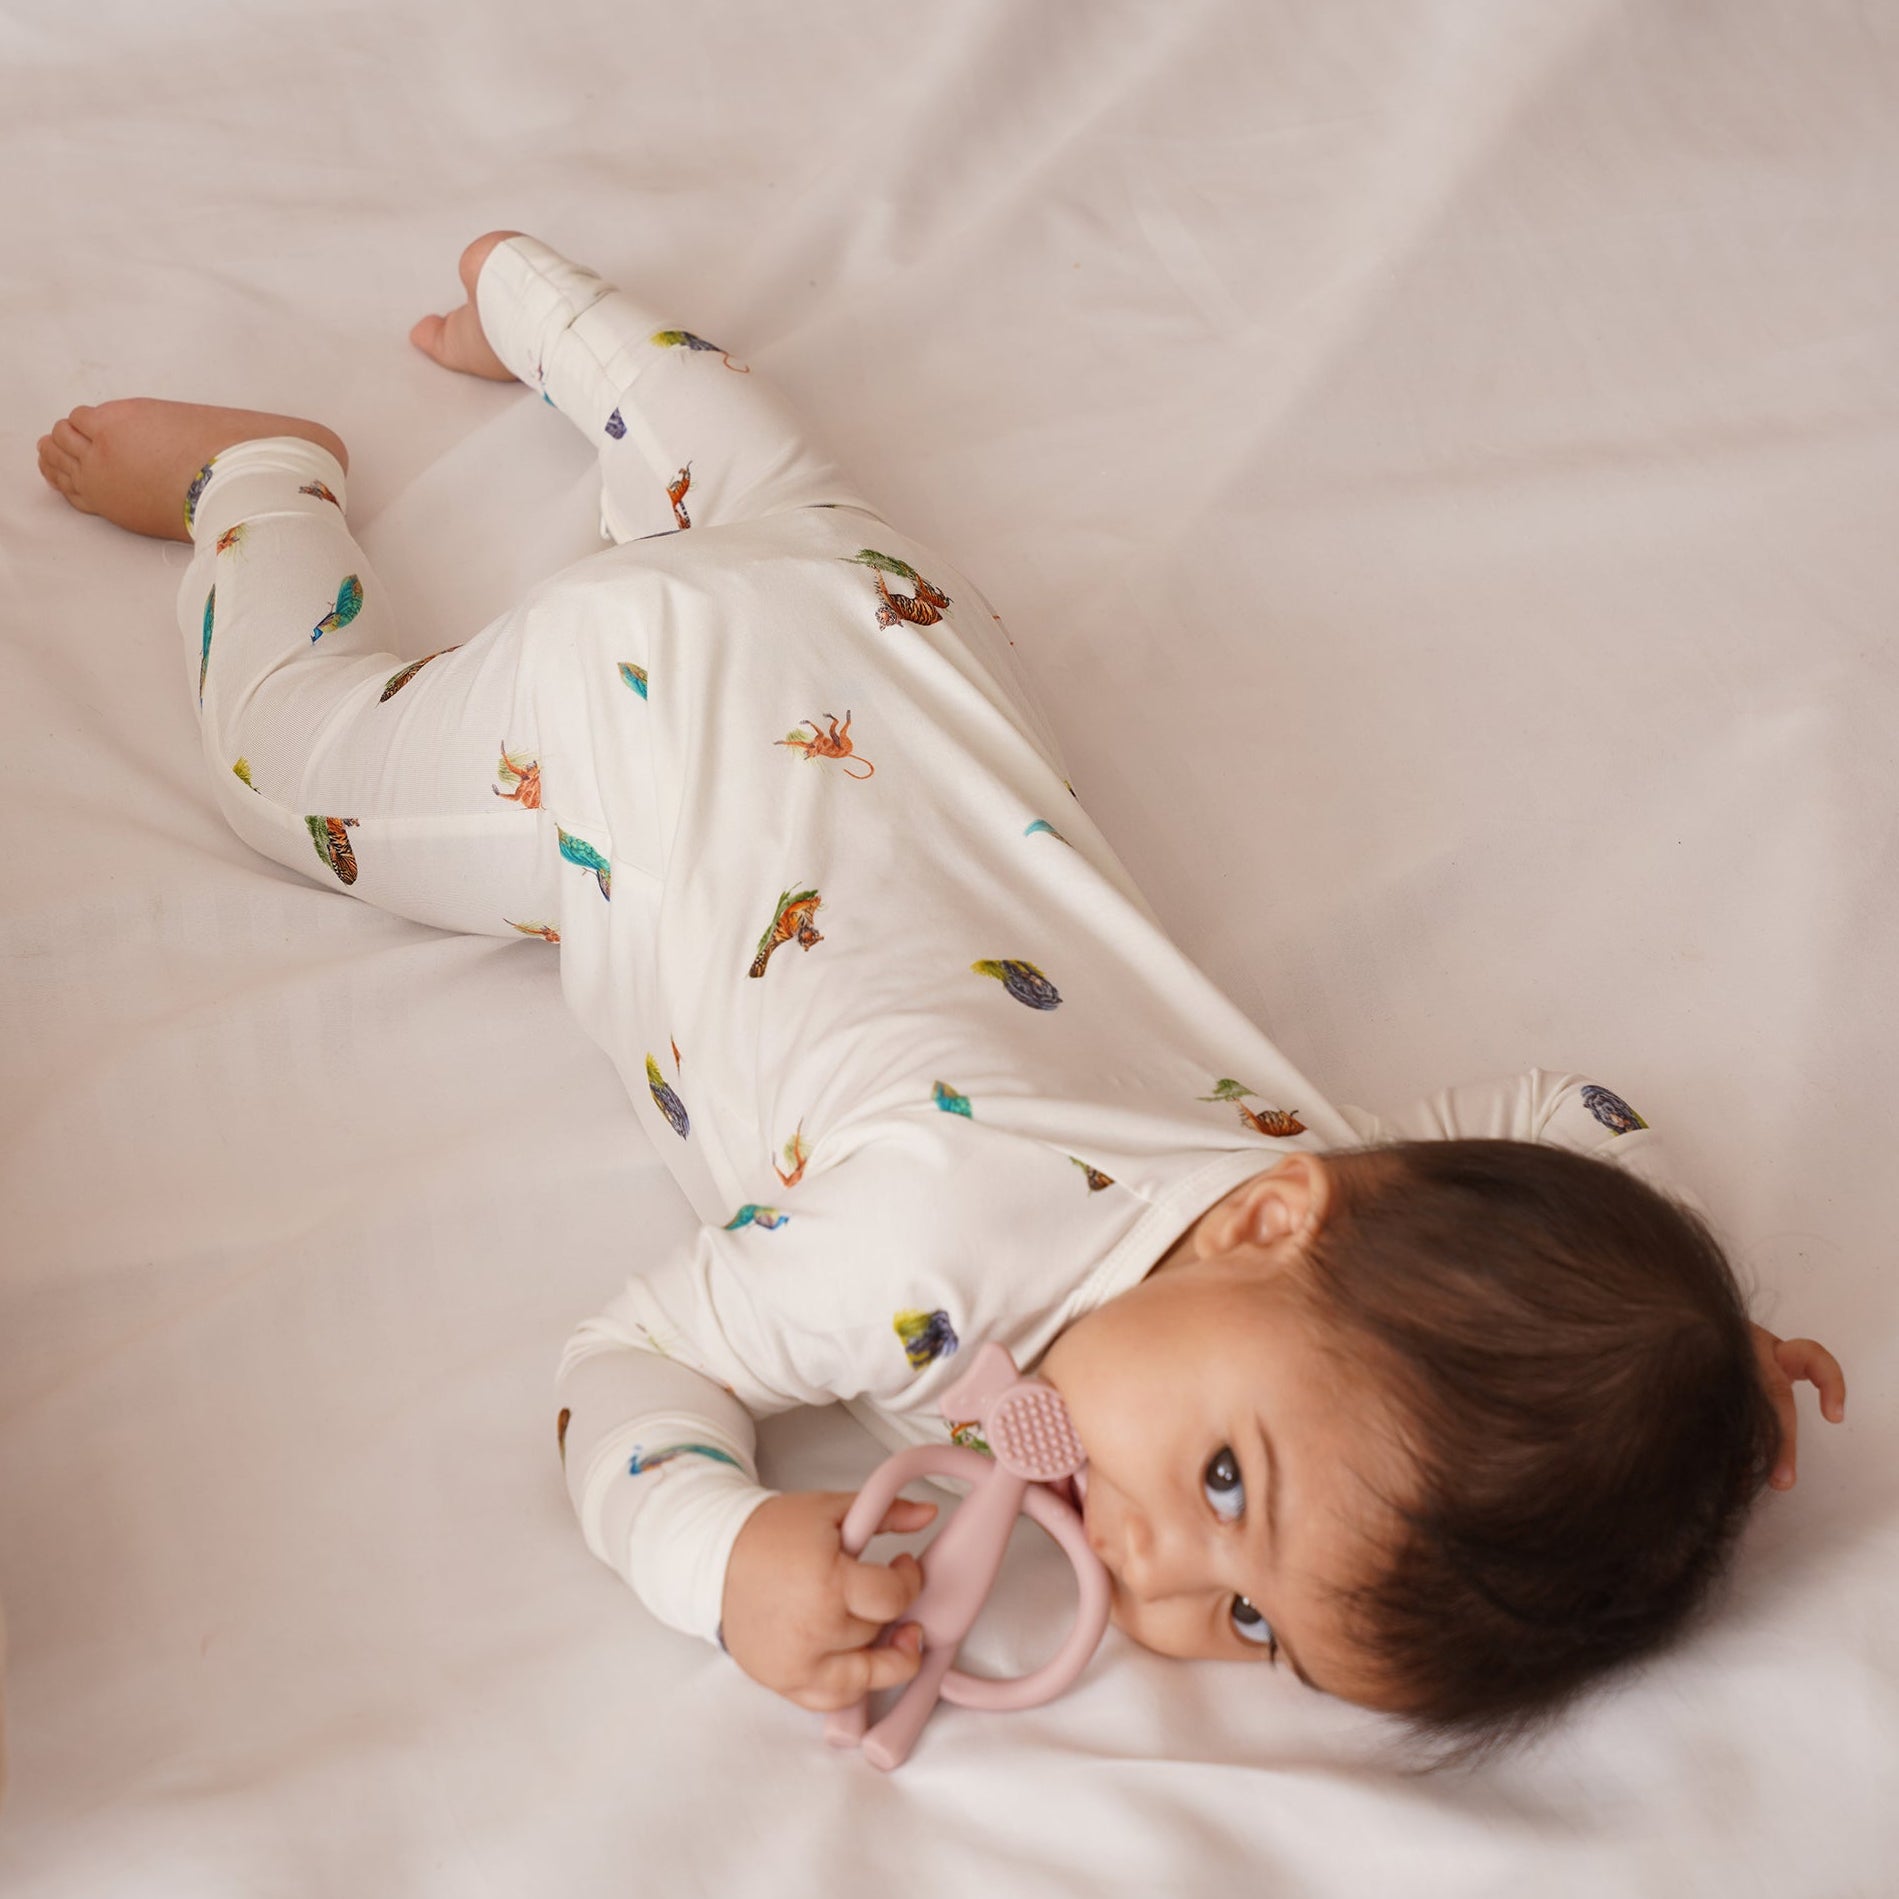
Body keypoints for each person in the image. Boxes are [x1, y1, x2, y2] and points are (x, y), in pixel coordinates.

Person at [35, 231, 1846, 1757]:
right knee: (299, 775)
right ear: (1275, 1225)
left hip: (876, 627)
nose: (1147, 1578)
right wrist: (720, 1553)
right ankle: (259, 490)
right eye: (1224, 1492)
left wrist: (1679, 1372)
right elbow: (631, 1367)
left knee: (751, 482)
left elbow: (1568, 1115)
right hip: (609, 735)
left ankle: (541, 303)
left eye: (1256, 1631)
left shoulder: (1333, 1192)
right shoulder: (914, 1264)